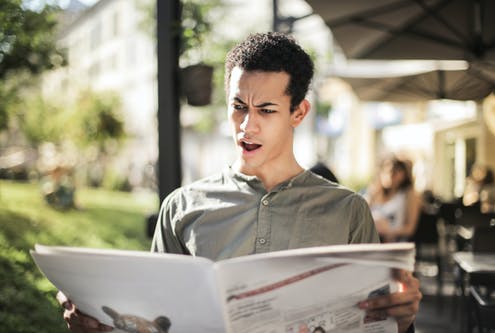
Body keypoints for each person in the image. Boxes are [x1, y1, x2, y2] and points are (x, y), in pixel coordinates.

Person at [58, 32, 421, 333]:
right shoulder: (181, 207)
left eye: (266, 110)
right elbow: (157, 322)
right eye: (238, 107)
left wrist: (403, 321)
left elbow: (375, 322)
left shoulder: (348, 210)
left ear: (299, 112)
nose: (247, 126)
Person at [364, 156, 421, 243]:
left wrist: (387, 232)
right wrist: (372, 194)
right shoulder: (375, 192)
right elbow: (361, 212)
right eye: (386, 171)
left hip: (393, 243)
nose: (390, 174)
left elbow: (410, 228)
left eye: (395, 171)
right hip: (371, 240)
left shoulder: (408, 194)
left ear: (404, 174)